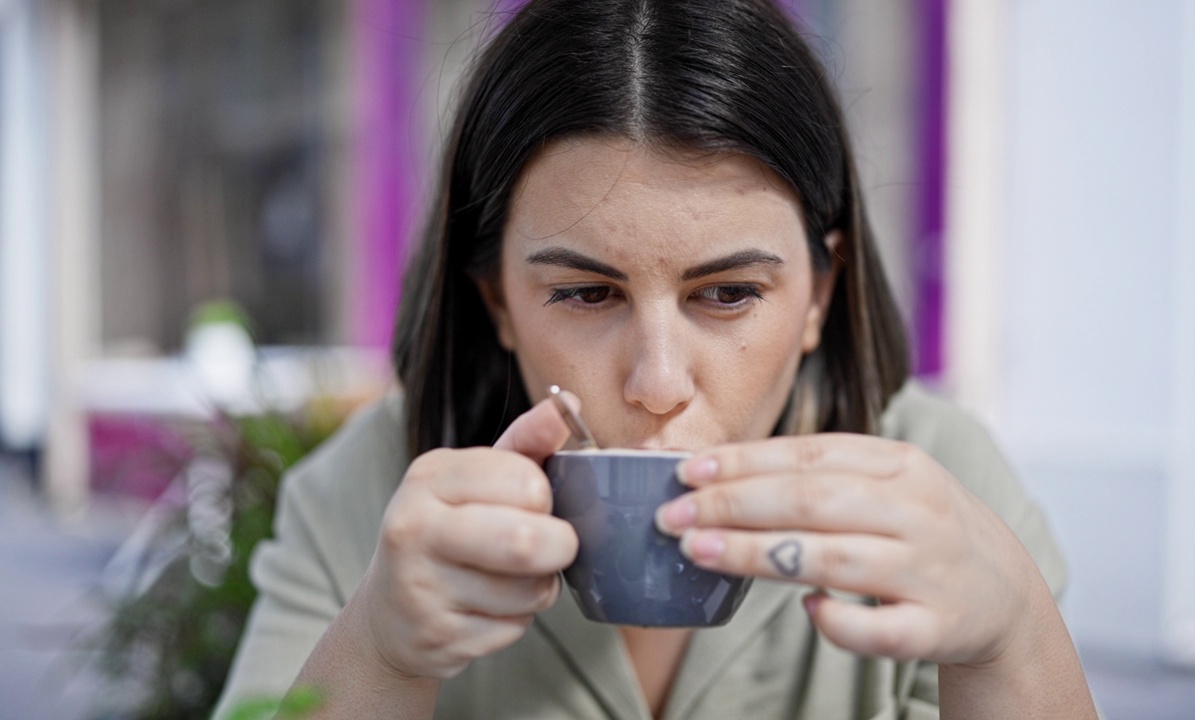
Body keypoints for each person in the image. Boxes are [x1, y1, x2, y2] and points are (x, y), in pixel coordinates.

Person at [214, 0, 1099, 717]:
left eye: (728, 294)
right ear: (499, 306)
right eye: (587, 294)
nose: (659, 384)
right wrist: (380, 651)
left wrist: (1011, 632)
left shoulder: (942, 485)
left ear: (820, 299)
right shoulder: (363, 498)